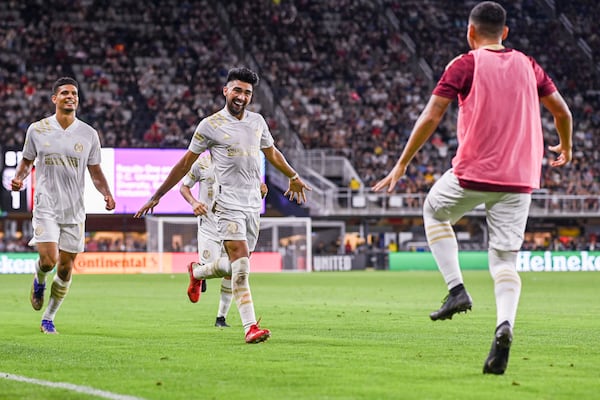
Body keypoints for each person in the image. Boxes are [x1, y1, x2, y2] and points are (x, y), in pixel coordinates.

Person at [373, 1, 572, 375]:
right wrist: (568, 146)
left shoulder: (464, 64)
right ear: (505, 33)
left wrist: (402, 163)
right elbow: (563, 112)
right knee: (504, 262)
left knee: (433, 212)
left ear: (470, 32)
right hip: (519, 180)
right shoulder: (530, 65)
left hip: (473, 174)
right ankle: (504, 325)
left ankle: (456, 289)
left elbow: (431, 115)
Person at [134, 67, 311, 343]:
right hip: (226, 206)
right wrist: (157, 195)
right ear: (226, 91)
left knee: (232, 266)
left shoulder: (257, 122)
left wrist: (293, 175)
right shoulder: (209, 125)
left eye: (247, 92)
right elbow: (185, 164)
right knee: (241, 267)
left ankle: (199, 271)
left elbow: (272, 153)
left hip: (253, 205)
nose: (242, 96)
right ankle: (250, 327)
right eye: (237, 90)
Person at [11, 77, 116, 334]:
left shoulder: (88, 134)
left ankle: (49, 317)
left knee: (67, 268)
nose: (71, 97)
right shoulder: (37, 129)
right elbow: (26, 161)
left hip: (74, 210)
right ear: (54, 98)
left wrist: (107, 194)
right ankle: (40, 279)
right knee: (49, 260)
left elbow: (95, 171)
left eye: (75, 94)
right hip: (46, 205)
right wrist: (19, 177)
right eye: (65, 93)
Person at [179, 152, 268, 328]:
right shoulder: (202, 163)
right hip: (209, 225)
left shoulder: (240, 161)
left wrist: (261, 193)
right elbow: (184, 187)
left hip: (232, 222)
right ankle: (198, 272)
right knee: (214, 266)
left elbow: (252, 191)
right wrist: (194, 203)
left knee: (233, 269)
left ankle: (221, 317)